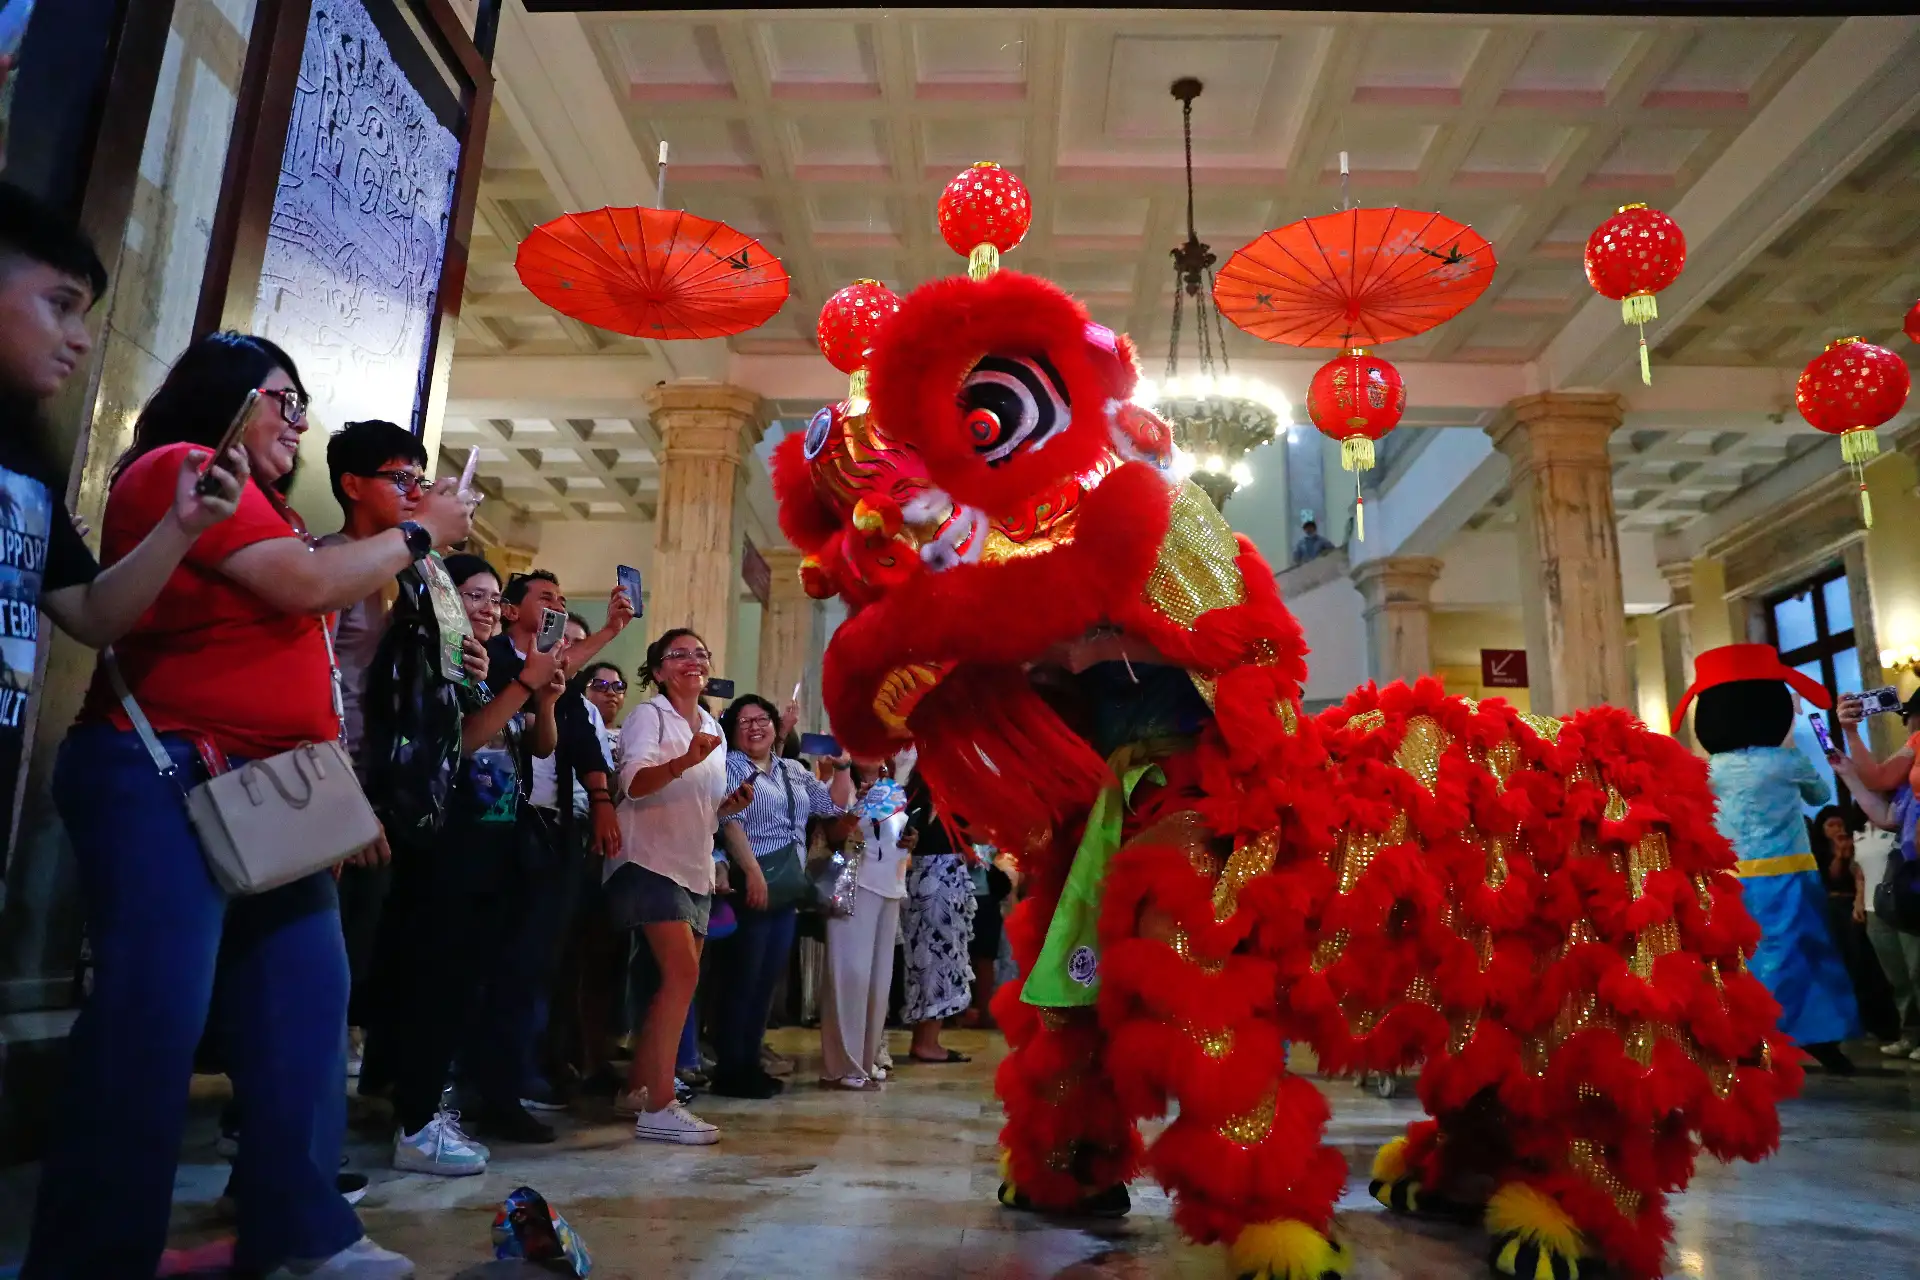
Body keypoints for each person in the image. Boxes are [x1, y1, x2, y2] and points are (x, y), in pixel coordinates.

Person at [29, 331, 472, 1280]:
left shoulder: (262, 507)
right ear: (224, 397)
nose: (297, 421)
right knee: (154, 1019)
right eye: (284, 398)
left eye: (302, 405)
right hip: (166, 772)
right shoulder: (184, 469)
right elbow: (308, 585)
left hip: (267, 792)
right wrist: (423, 529)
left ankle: (304, 1233)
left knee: (305, 1005)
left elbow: (316, 609)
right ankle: (95, 1253)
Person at [0, 184, 248, 870]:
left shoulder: (27, 459)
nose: (80, 339)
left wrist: (181, 525)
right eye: (59, 305)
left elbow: (90, 612)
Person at [372, 553, 564, 1176]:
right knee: (434, 983)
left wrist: (539, 695)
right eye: (472, 596)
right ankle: (418, 1120)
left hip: (491, 843)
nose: (484, 607)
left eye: (489, 597)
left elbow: (526, 743)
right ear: (442, 599)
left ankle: (434, 1108)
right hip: (443, 845)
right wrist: (525, 684)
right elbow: (465, 740)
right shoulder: (428, 651)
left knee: (463, 985)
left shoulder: (477, 664)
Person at [479, 571, 630, 1129]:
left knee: (541, 958)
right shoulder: (489, 658)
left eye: (564, 600)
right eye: (547, 599)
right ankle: (493, 1082)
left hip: (555, 826)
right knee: (500, 957)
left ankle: (523, 1073)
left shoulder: (559, 677)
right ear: (512, 609)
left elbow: (578, 740)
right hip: (496, 820)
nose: (558, 607)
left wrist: (613, 629)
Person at [1675, 643, 1860, 1072]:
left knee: (1740, 956)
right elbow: (1820, 795)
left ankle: (1744, 1035)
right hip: (1792, 872)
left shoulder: (1708, 769)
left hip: (1728, 878)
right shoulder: (1785, 762)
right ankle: (1816, 1036)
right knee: (1804, 952)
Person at [610, 628, 751, 1142]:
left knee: (675, 981)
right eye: (680, 654)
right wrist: (685, 760)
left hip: (693, 862)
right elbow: (635, 783)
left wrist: (725, 808)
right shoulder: (650, 716)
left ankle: (638, 1091)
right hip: (651, 860)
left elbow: (699, 802)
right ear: (661, 669)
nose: (693, 660)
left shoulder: (712, 723)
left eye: (701, 653)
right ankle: (662, 1104)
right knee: (682, 976)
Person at [714, 692, 856, 1097]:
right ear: (733, 730)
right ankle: (731, 1067)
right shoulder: (729, 766)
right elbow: (731, 823)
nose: (755, 727)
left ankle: (750, 1060)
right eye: (744, 721)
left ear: (776, 725)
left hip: (787, 884)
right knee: (742, 978)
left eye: (762, 719)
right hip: (749, 881)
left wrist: (843, 765)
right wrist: (753, 874)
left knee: (765, 981)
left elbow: (831, 806)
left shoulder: (791, 769)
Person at [1835, 693, 1920, 1060]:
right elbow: (1885, 807)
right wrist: (1850, 736)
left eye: (1910, 718)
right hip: (1913, 871)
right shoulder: (1916, 748)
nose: (1908, 726)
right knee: (1903, 972)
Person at [819, 758, 912, 1089]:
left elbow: (897, 835)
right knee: (851, 976)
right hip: (853, 884)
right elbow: (832, 834)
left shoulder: (895, 786)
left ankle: (866, 1058)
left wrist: (908, 840)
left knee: (878, 980)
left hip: (890, 886)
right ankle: (842, 1065)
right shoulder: (841, 779)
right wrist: (860, 805)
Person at [899, 768, 978, 1064]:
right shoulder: (945, 794)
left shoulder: (916, 792)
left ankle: (924, 1039)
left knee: (925, 957)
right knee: (939, 958)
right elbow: (977, 831)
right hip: (940, 880)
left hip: (921, 878)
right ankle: (927, 1042)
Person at [1811, 804, 1899, 1042]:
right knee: (1846, 962)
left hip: (1858, 904)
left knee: (1868, 963)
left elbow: (1859, 877)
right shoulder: (1819, 851)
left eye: (1840, 824)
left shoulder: (1858, 842)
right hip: (1834, 908)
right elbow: (1832, 878)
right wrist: (1839, 855)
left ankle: (1882, 1021)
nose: (1837, 829)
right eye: (1831, 825)